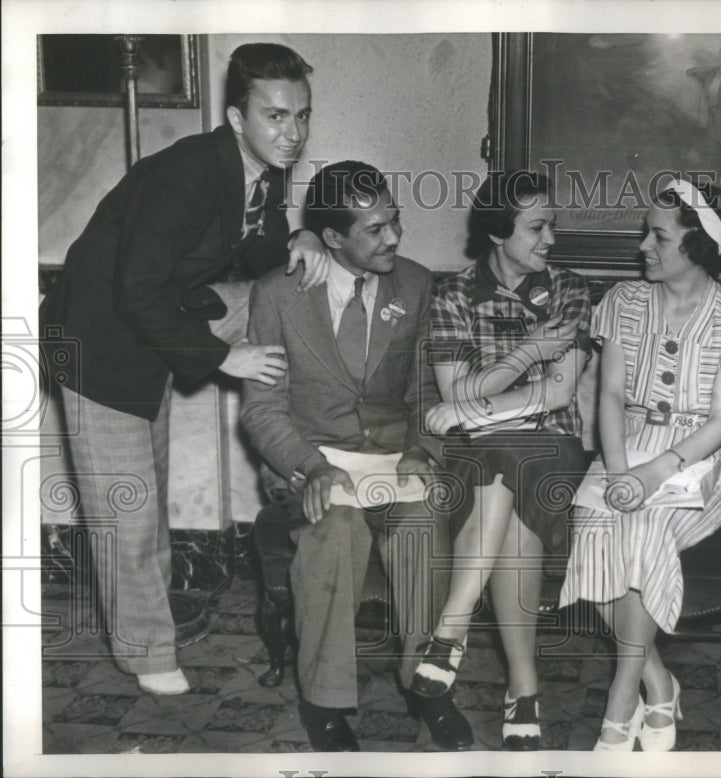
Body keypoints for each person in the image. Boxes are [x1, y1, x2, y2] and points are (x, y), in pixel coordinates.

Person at [38, 43, 328, 696]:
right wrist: (226, 356)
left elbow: (259, 247)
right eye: (276, 116)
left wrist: (303, 239)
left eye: (302, 116)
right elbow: (134, 290)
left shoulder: (262, 168)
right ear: (234, 116)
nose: (292, 133)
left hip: (157, 326)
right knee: (129, 510)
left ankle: (315, 435)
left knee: (153, 483)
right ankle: (145, 653)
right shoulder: (186, 175)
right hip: (98, 339)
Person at [240, 161, 473, 752]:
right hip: (312, 462)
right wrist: (311, 468)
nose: (393, 237)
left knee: (422, 521)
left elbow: (426, 390)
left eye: (394, 220)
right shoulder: (277, 295)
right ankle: (323, 700)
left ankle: (427, 682)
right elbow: (262, 410)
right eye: (374, 229)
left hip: (395, 461)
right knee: (336, 525)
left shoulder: (418, 286)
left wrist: (422, 448)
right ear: (333, 238)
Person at [559, 178, 721, 751]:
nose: (644, 247)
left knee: (647, 525)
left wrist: (652, 476)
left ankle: (620, 699)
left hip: (698, 460)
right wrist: (620, 469)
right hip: (623, 445)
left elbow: (720, 421)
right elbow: (607, 397)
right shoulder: (623, 303)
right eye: (645, 234)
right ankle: (658, 681)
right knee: (596, 525)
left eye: (658, 236)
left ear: (697, 244)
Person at [411, 171, 591, 750]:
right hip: (480, 462)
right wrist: (530, 352)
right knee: (505, 476)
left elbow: (558, 395)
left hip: (553, 451)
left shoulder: (570, 290)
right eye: (537, 227)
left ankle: (452, 627)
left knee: (510, 454)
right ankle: (524, 689)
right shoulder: (454, 296)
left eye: (552, 226)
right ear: (497, 231)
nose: (550, 241)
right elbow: (454, 393)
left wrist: (477, 407)